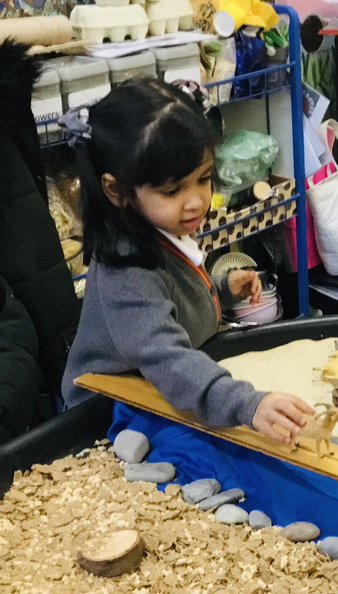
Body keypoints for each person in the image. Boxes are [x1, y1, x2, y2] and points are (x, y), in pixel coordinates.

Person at [59, 78, 310, 443]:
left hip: (157, 388)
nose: (195, 201)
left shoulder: (159, 224)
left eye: (203, 179)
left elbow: (170, 305)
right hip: (109, 415)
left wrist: (222, 292)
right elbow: (166, 355)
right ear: (116, 190)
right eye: (173, 190)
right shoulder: (126, 267)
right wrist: (248, 404)